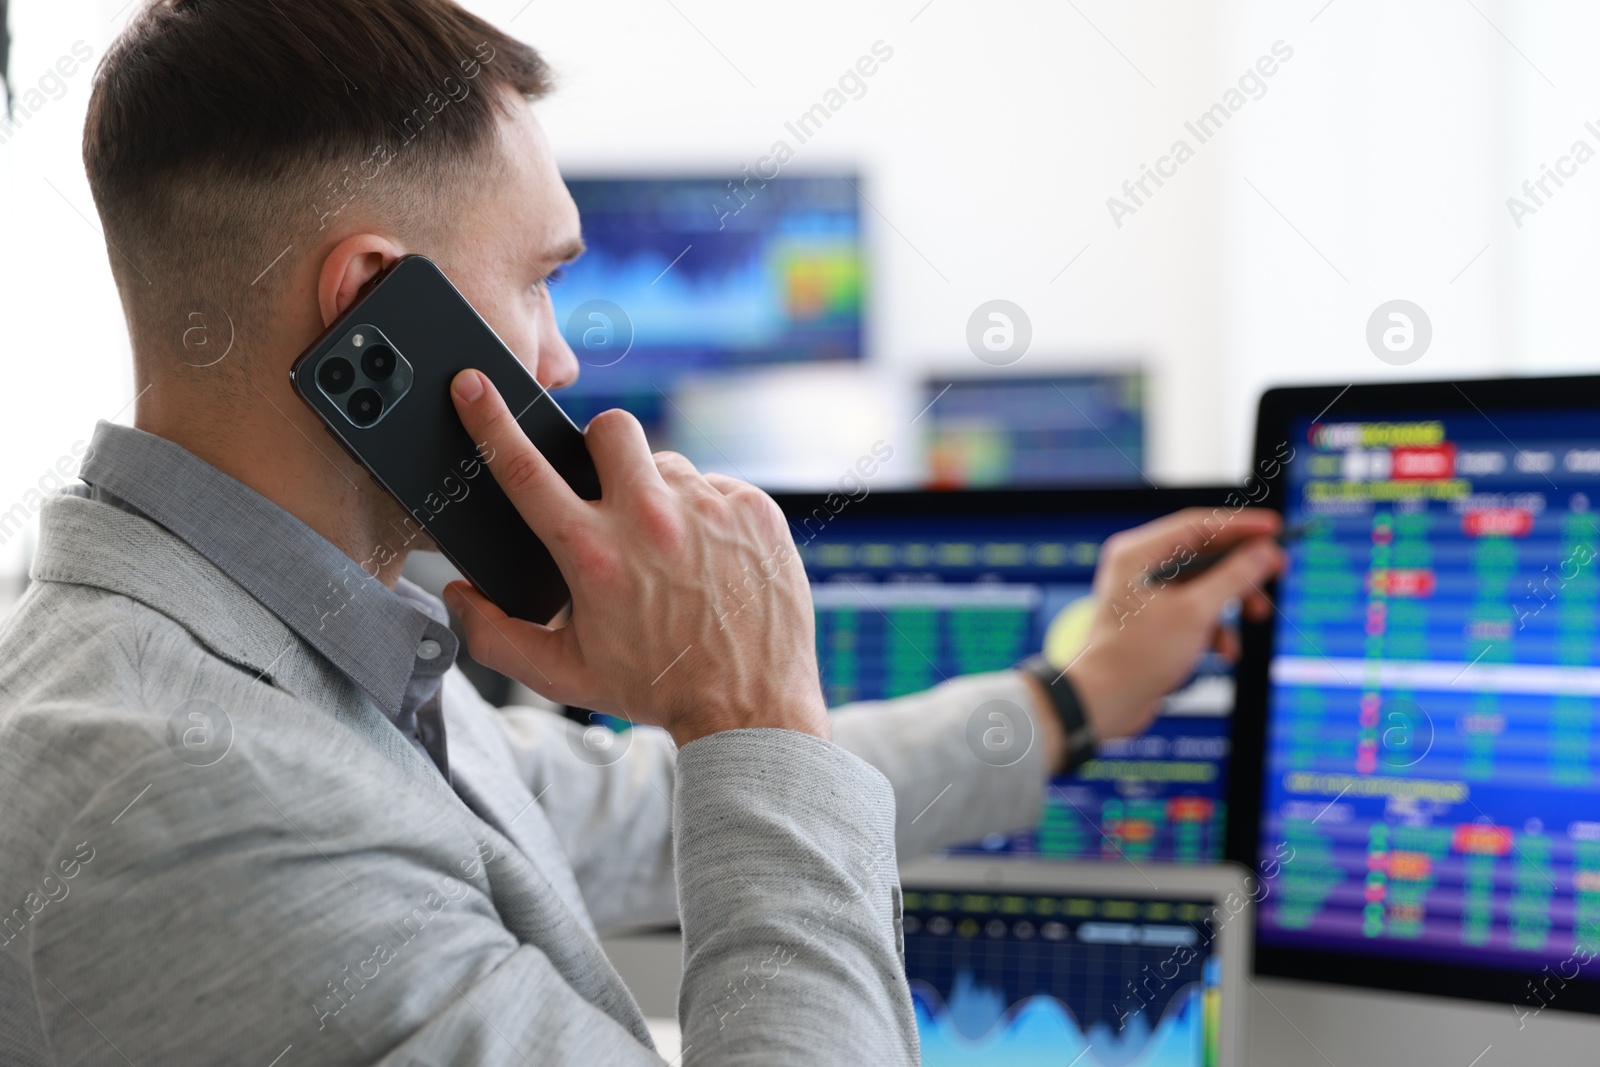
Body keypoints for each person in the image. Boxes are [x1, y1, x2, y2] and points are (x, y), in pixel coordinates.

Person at [0, 2, 1285, 1064]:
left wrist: (1066, 697)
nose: (557, 354)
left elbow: (635, 811)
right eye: (541, 277)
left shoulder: (291, 661)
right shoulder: (181, 790)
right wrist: (752, 714)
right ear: (369, 311)